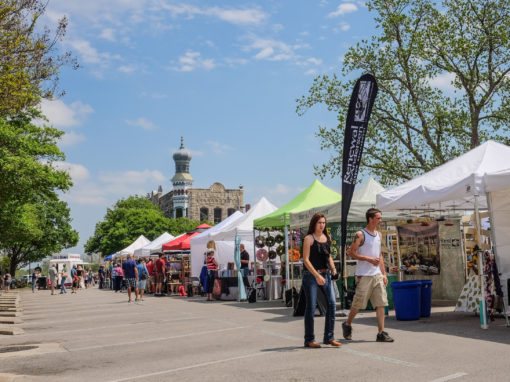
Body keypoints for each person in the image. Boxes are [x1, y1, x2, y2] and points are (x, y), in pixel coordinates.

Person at [342, 208, 394, 343]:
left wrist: (384, 273)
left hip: (376, 275)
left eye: (381, 218)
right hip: (364, 275)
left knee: (381, 303)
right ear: (370, 219)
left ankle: (381, 333)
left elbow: (379, 255)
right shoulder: (360, 234)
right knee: (358, 304)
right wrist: (368, 259)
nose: (380, 220)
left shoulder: (379, 235)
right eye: (378, 218)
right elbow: (351, 253)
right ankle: (347, 324)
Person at [301, 213, 340, 348]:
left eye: (324, 222)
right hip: (311, 276)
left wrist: (334, 269)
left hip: (326, 274)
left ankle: (329, 337)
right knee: (311, 307)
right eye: (319, 223)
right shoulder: (308, 239)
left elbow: (328, 255)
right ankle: (309, 339)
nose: (322, 225)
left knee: (332, 304)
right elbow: (305, 260)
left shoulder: (327, 237)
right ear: (314, 223)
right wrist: (317, 276)